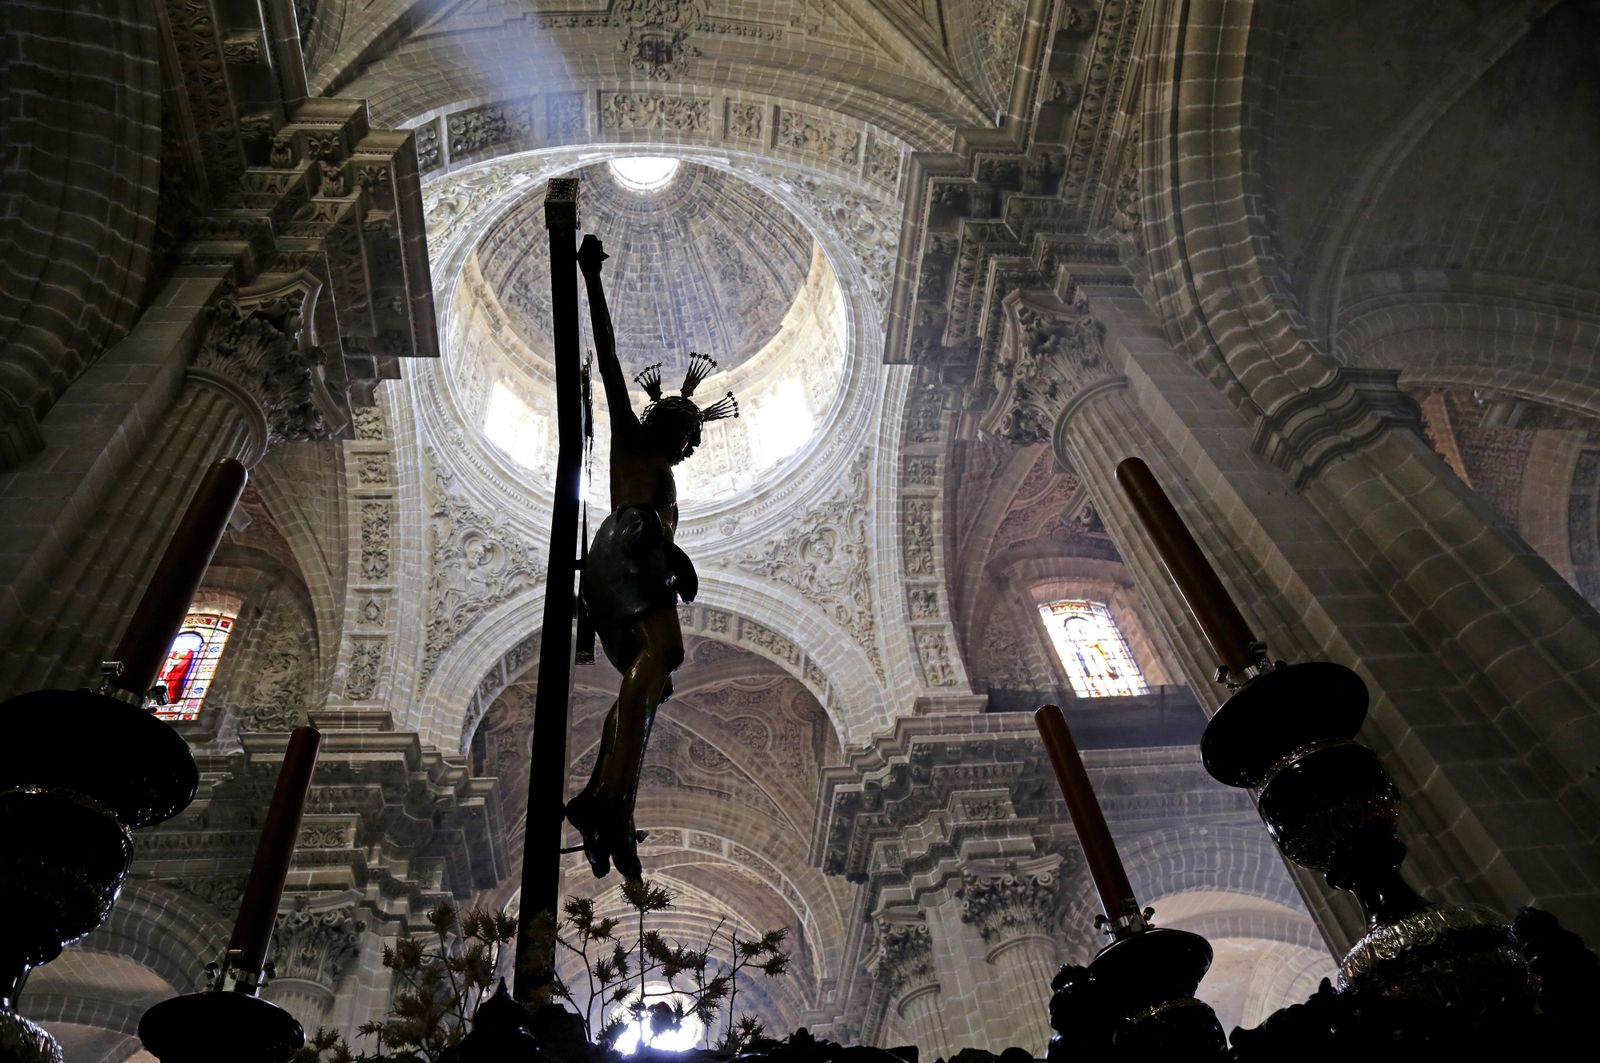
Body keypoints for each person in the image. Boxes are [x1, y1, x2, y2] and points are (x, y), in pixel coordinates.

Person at [566, 234, 737, 880]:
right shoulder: (633, 447)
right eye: (684, 431)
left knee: (652, 678)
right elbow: (608, 359)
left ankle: (603, 795)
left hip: (640, 561)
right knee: (663, 657)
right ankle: (608, 797)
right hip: (625, 547)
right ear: (660, 417)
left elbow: (669, 546)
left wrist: (676, 558)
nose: (688, 445)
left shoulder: (664, 478)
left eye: (693, 441)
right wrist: (591, 276)